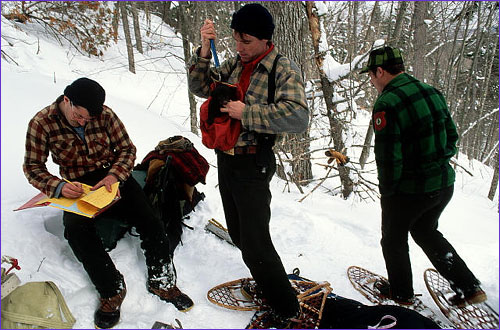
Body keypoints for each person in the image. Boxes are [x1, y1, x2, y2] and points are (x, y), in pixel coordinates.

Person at [23, 77, 193, 329]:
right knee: (76, 230)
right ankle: (111, 289)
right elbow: (32, 166)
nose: (83, 122)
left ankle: (162, 281)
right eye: (79, 116)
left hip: (111, 177)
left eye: (88, 119)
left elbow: (127, 149)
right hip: (77, 186)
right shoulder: (42, 123)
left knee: (150, 220)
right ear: (67, 100)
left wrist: (114, 176)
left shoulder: (105, 115)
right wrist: (57, 186)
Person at [188, 3, 309, 327]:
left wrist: (249, 113)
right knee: (242, 237)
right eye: (236, 40)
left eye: (247, 42)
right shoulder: (232, 64)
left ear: (265, 40)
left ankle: (288, 311)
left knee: (255, 245)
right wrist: (203, 49)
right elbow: (200, 87)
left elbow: (298, 117)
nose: (239, 48)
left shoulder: (282, 69)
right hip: (227, 162)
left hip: (254, 162)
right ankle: (270, 283)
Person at [360, 46, 487, 307]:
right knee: (425, 230)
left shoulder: (387, 102)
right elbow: (452, 137)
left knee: (393, 240)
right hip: (443, 184)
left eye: (371, 75)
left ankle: (402, 295)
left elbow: (388, 157)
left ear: (381, 71)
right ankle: (469, 286)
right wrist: (437, 162)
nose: (371, 81)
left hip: (411, 190)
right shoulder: (432, 92)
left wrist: (389, 191)